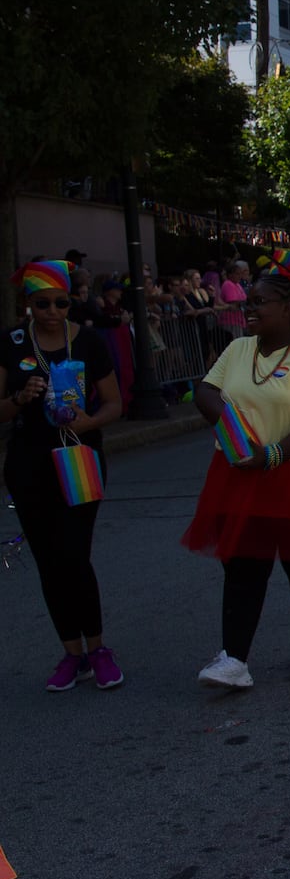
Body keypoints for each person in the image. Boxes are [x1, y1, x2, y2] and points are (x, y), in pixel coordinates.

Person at [183, 267, 290, 689]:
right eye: (249, 302)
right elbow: (206, 391)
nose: (250, 308)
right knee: (243, 565)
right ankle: (234, 659)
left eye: (260, 301)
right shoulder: (238, 349)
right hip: (243, 474)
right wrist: (235, 435)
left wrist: (274, 453)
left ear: (288, 307)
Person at [1, 260, 125, 691]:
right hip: (29, 463)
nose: (53, 311)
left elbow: (114, 404)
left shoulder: (88, 341)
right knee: (49, 564)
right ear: (28, 305)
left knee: (74, 556)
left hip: (79, 459)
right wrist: (20, 398)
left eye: (61, 302)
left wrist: (86, 424)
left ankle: (99, 649)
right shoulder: (12, 343)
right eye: (42, 303)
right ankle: (72, 655)